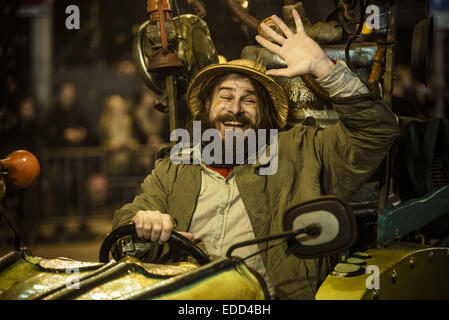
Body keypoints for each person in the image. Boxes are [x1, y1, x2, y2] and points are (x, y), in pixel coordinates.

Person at [112, 10, 398, 299]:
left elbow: (376, 132)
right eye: (225, 96)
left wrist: (323, 68)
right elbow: (124, 231)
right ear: (207, 110)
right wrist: (142, 224)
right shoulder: (175, 166)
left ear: (265, 115)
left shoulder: (302, 152)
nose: (235, 109)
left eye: (248, 100)